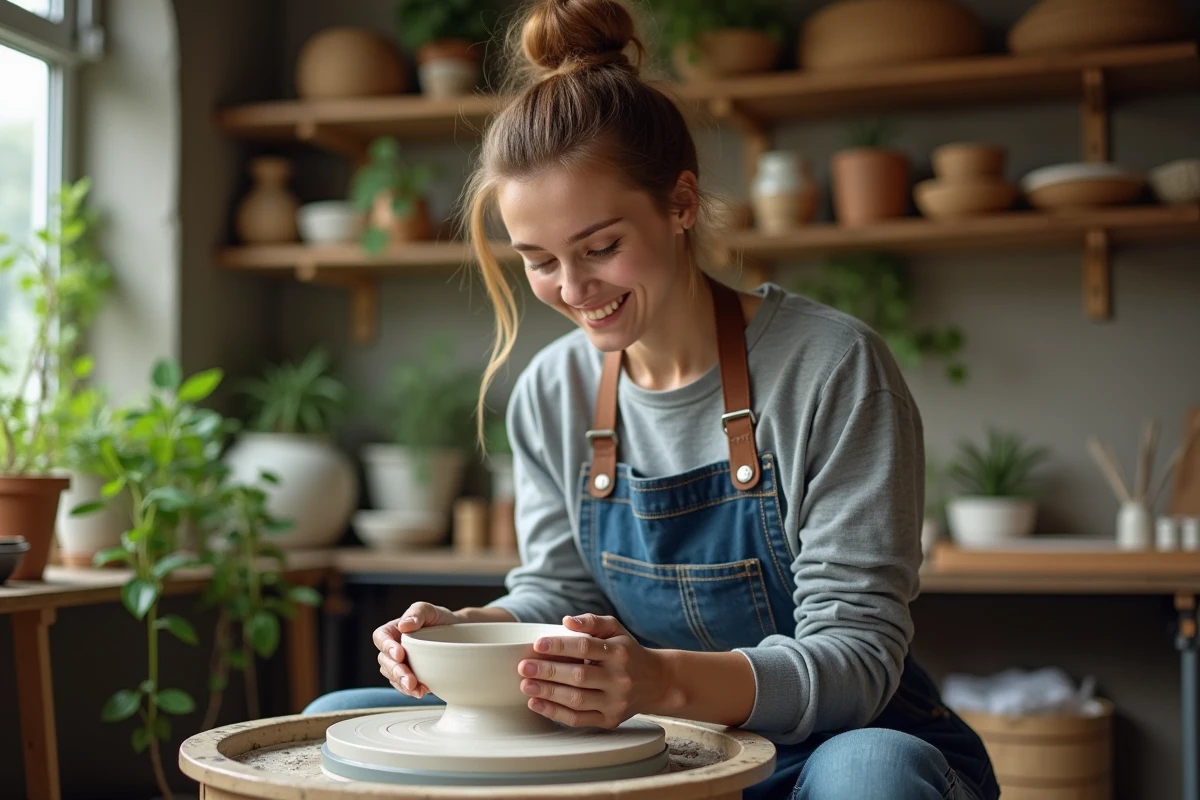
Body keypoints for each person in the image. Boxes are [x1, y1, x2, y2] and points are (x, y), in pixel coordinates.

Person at [304, 1, 999, 797]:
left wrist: (658, 680)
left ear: (681, 204)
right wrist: (467, 634)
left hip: (835, 744)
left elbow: (857, 661)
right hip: (655, 744)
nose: (573, 289)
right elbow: (558, 596)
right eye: (539, 260)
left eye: (601, 247)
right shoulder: (554, 390)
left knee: (871, 775)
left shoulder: (831, 366)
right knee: (335, 719)